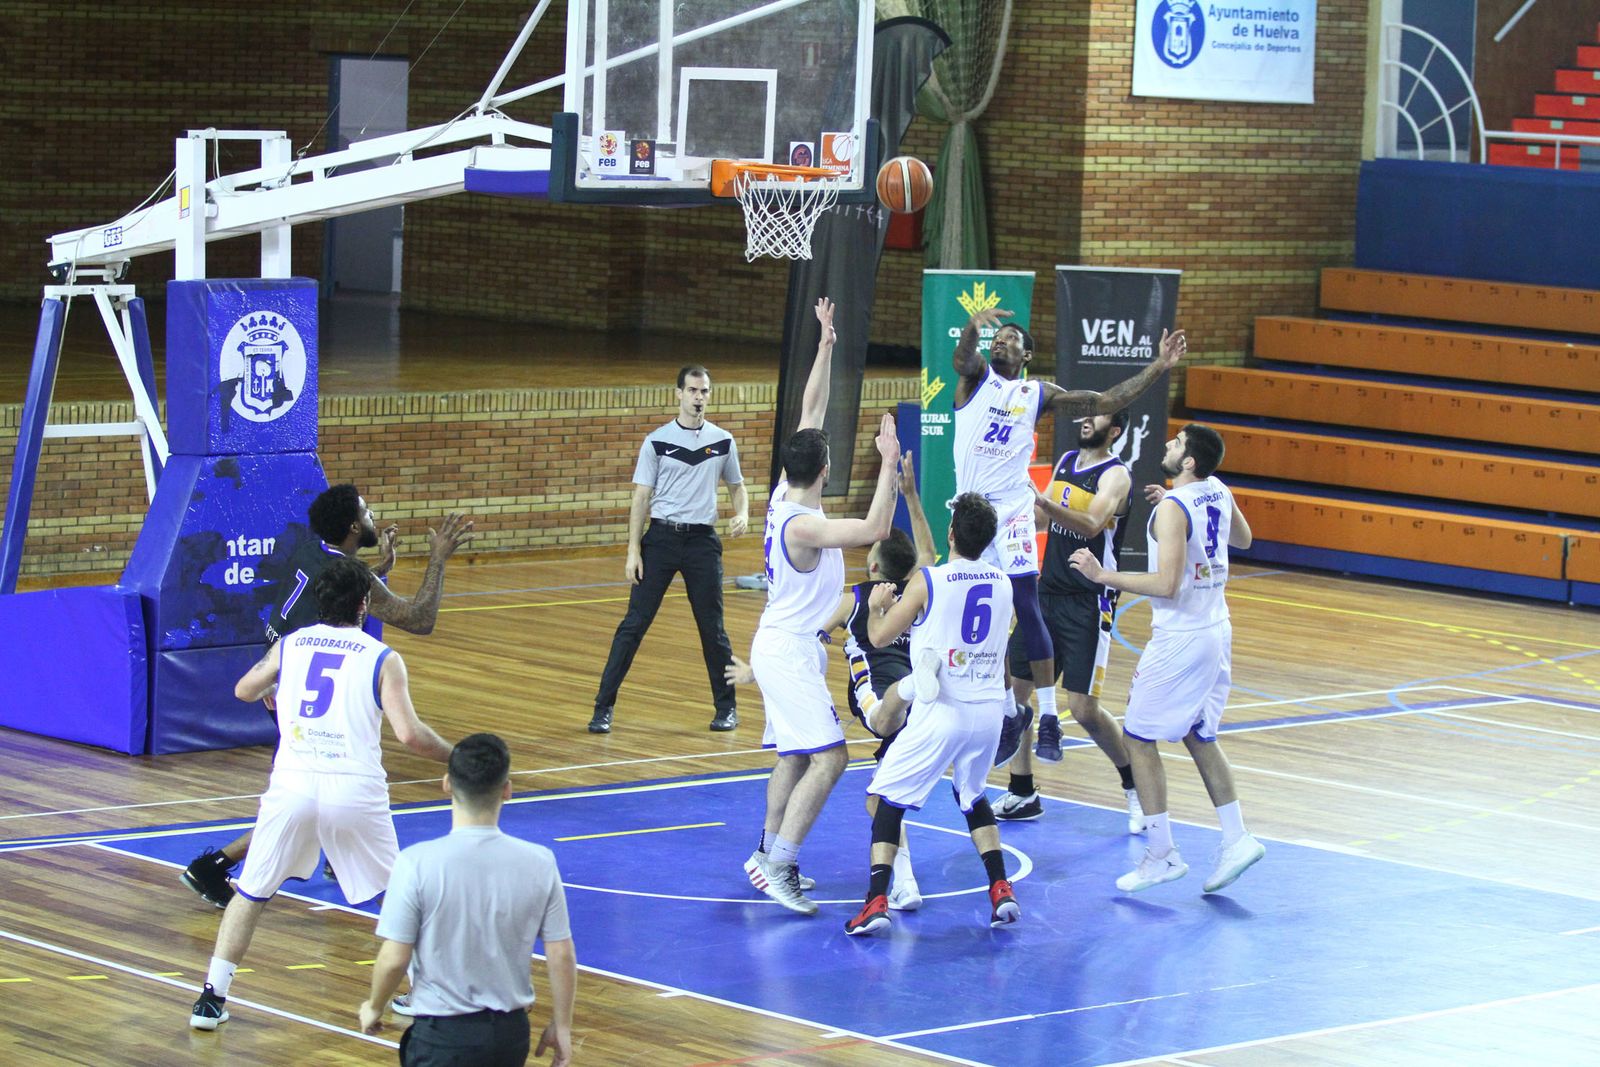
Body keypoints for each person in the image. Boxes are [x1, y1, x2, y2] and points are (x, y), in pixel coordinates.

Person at [189, 557, 454, 1030]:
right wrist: (457, 756)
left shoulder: (291, 644)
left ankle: (212, 997)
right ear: (364, 603)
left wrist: (274, 683)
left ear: (319, 602)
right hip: (353, 788)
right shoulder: (381, 657)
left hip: (292, 784)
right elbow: (410, 735)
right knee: (393, 897)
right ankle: (426, 991)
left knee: (250, 892)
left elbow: (243, 690)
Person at [181, 485, 473, 909]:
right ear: (354, 526)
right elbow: (419, 618)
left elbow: (334, 585)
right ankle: (220, 864)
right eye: (368, 511)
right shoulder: (350, 578)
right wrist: (438, 559)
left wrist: (379, 567)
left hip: (283, 672)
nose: (374, 515)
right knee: (327, 784)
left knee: (313, 790)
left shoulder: (307, 551)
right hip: (293, 684)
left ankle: (328, 854)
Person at [950, 308, 1185, 766]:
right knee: (983, 612)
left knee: (1024, 602)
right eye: (997, 338)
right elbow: (963, 360)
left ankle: (1051, 717)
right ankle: (1004, 712)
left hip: (1014, 506)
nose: (1001, 342)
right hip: (971, 508)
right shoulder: (975, 380)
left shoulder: (1037, 394)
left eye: (1011, 338)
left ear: (1028, 355)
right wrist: (975, 328)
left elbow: (1103, 400)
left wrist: (1158, 367)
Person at [738, 296, 902, 916]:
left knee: (794, 754)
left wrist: (827, 344)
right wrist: (888, 463)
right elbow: (878, 527)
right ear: (826, 469)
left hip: (783, 641)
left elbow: (811, 408)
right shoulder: (804, 524)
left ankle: (767, 853)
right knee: (830, 759)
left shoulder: (785, 490)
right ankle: (779, 865)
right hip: (787, 649)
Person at [1069, 424, 1265, 895]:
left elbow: (1168, 584)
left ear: (1189, 462)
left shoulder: (1175, 509)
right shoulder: (1215, 489)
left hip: (1181, 638)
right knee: (1200, 734)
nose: (1169, 446)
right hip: (1217, 627)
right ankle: (1237, 838)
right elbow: (1243, 538)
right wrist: (1180, 505)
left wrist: (1104, 575)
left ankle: (1161, 855)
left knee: (1137, 737)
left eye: (1177, 444)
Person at [843, 492, 1019, 935]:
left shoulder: (928, 581)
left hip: (943, 708)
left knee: (887, 802)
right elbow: (1005, 654)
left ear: (952, 534)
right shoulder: (1004, 581)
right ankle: (1001, 889)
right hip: (989, 710)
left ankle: (876, 900)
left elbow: (880, 637)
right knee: (973, 796)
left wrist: (878, 608)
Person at [359, 733, 577, 1067]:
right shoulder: (540, 861)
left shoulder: (415, 862)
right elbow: (560, 953)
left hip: (443, 1037)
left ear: (446, 784)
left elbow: (394, 957)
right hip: (510, 1035)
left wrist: (374, 1005)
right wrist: (562, 1024)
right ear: (507, 788)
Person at [995, 411, 1146, 833]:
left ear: (1114, 430)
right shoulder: (1064, 462)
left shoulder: (1116, 476)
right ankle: (1022, 790)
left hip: (1088, 597)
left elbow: (1093, 522)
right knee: (1018, 694)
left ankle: (1135, 787)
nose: (1084, 420)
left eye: (1096, 417)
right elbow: (1043, 520)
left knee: (1082, 707)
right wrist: (1015, 506)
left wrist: (1044, 503)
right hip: (1046, 593)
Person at [589, 364, 750, 735]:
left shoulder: (723, 441)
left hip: (702, 543)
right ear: (678, 393)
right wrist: (633, 551)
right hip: (661, 539)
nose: (698, 397)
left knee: (713, 629)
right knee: (633, 625)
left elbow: (737, 486)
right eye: (692, 390)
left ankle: (726, 708)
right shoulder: (656, 441)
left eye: (704, 391)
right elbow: (641, 498)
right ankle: (603, 708)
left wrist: (741, 512)